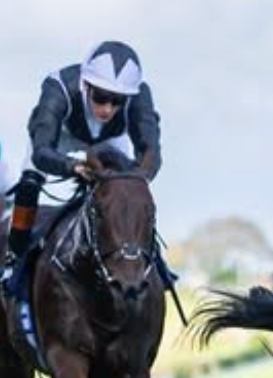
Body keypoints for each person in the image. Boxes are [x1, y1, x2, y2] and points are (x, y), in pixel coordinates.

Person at [2, 41, 161, 296]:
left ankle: (157, 266)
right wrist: (72, 166)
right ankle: (13, 260)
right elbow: (42, 152)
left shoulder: (140, 94)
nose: (108, 108)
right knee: (30, 184)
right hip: (58, 139)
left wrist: (138, 178)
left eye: (118, 101)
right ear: (85, 85)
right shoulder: (58, 87)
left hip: (110, 140)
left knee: (131, 193)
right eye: (100, 97)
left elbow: (151, 151)